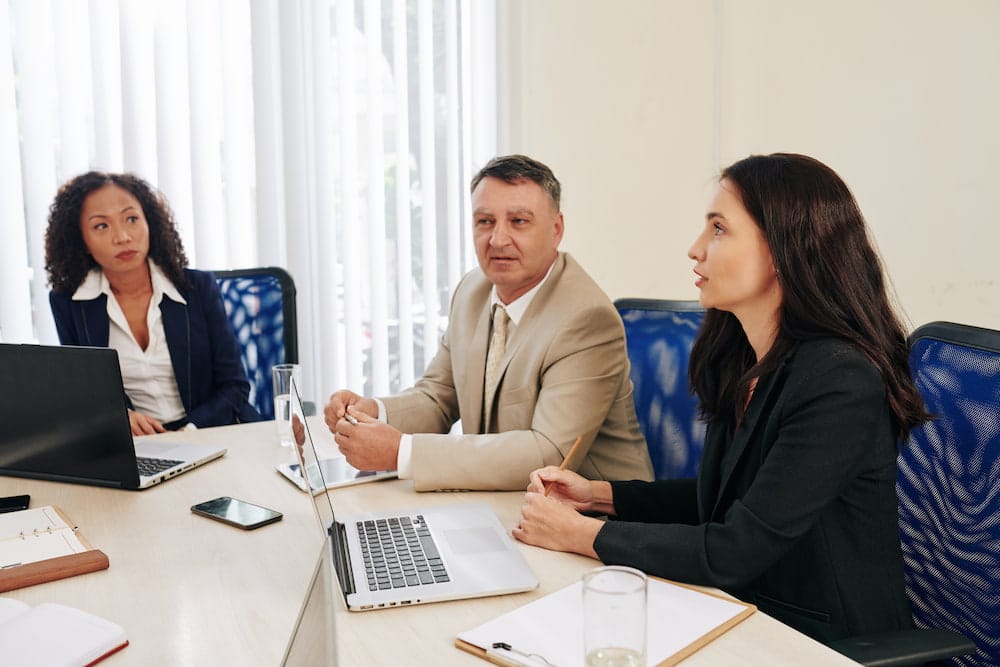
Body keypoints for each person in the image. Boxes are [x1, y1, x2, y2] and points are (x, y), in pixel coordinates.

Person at [513, 153, 926, 643]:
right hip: (742, 611)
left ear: (781, 249)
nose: (695, 249)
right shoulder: (745, 358)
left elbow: (735, 546)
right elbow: (729, 500)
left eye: (718, 230)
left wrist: (581, 535)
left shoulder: (841, 381)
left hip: (823, 641)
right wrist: (599, 496)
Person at [324, 154, 654, 491]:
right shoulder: (473, 290)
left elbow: (548, 453)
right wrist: (373, 414)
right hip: (501, 503)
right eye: (485, 221)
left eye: (519, 221)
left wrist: (401, 452)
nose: (497, 240)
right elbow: (439, 397)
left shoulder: (587, 319)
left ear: (556, 230)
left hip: (593, 520)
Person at [45, 171, 260, 435]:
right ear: (82, 241)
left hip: (210, 433)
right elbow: (84, 393)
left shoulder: (197, 288)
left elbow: (234, 386)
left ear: (150, 224)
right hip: (134, 444)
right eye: (102, 225)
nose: (122, 236)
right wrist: (119, 416)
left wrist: (187, 433)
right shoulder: (69, 302)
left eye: (132, 219)